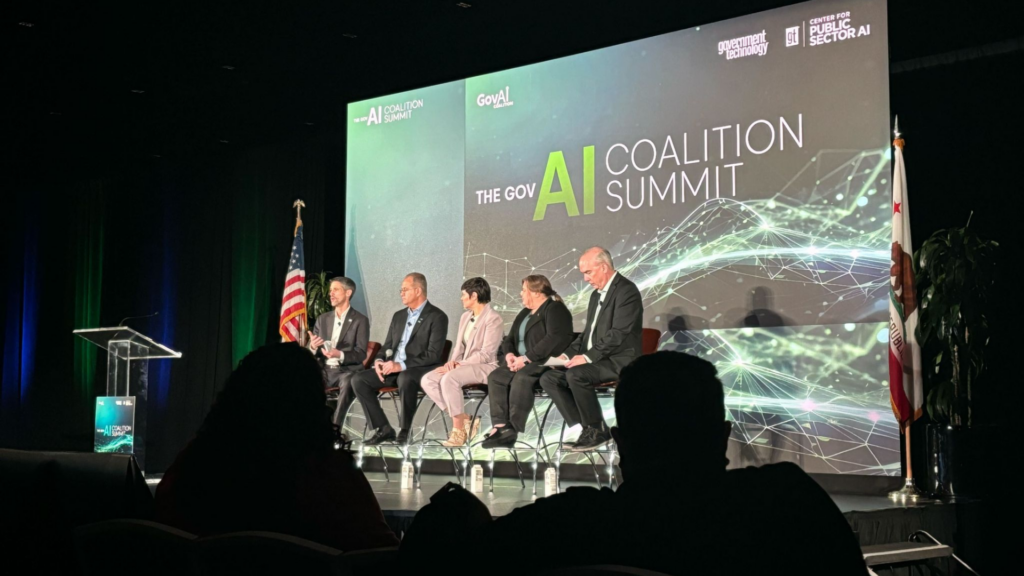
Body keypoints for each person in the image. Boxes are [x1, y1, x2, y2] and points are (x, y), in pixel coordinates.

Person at [401, 351, 867, 575]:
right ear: (722, 435)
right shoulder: (785, 503)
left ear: (620, 443)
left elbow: (444, 554)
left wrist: (458, 508)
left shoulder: (570, 523)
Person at [155, 343, 398, 551]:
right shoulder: (331, 475)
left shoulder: (197, 463)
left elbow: (162, 536)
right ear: (313, 402)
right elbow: (379, 554)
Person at [540, 246, 643, 451]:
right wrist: (566, 355)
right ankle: (588, 428)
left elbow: (618, 333)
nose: (585, 279)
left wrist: (586, 357)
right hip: (598, 360)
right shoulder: (596, 295)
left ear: (604, 267)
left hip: (619, 361)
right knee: (548, 378)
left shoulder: (626, 291)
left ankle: (596, 429)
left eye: (588, 272)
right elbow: (588, 334)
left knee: (577, 374)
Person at [353, 272, 449, 446]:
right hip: (393, 367)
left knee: (406, 377)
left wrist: (401, 365)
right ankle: (383, 428)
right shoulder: (399, 316)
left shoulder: (437, 316)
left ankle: (405, 430)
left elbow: (433, 354)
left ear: (418, 291)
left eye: (405, 289)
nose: (401, 293)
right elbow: (388, 345)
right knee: (359, 379)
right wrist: (379, 361)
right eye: (401, 290)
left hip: (419, 369)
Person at [482, 275, 573, 449]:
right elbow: (510, 339)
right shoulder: (524, 312)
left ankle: (512, 428)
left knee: (522, 377)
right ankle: (500, 427)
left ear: (537, 292)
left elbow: (553, 339)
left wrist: (526, 358)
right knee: (496, 376)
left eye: (524, 290)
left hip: (545, 361)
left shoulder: (555, 309)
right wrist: (509, 355)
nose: (521, 294)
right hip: (521, 361)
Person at [420, 277, 503, 447]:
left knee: (450, 378)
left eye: (463, 295)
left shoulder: (493, 318)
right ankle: (465, 419)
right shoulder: (465, 317)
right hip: (463, 366)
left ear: (474, 296)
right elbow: (459, 347)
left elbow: (487, 354)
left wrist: (458, 366)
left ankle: (457, 431)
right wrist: (451, 363)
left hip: (486, 367)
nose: (461, 298)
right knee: (428, 379)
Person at [307, 276, 369, 430]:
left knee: (348, 381)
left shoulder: (360, 320)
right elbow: (310, 348)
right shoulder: (323, 319)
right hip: (324, 370)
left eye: (335, 290)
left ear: (348, 293)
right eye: (330, 291)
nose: (331, 294)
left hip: (345, 371)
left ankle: (335, 429)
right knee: (301, 379)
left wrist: (339, 354)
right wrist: (313, 347)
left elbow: (361, 354)